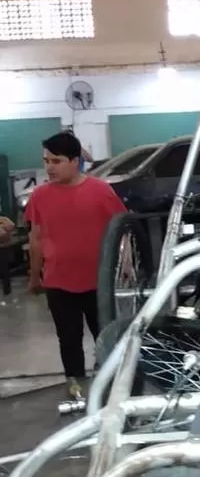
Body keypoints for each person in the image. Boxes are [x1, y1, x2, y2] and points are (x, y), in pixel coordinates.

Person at [25, 131, 126, 399]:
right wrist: (35, 276)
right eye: (46, 161)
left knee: (105, 336)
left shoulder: (101, 192)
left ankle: (109, 386)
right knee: (68, 340)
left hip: (98, 283)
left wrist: (125, 272)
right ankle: (76, 385)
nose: (49, 167)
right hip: (58, 282)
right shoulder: (40, 195)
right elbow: (35, 237)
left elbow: (122, 233)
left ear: (75, 161)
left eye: (56, 161)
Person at [0, 215, 14, 300]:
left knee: (4, 269)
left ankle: (7, 290)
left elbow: (11, 225)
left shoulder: (3, 219)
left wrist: (3, 227)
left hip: (3, 248)